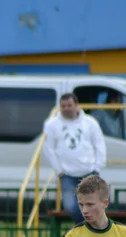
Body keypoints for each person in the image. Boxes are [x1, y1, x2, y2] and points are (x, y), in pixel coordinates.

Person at [43, 92, 107, 224]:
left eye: (69, 105)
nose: (66, 108)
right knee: (71, 207)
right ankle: (87, 230)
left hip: (89, 172)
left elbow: (99, 144)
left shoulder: (90, 123)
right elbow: (48, 149)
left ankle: (90, 232)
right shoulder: (52, 124)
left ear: (76, 106)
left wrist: (97, 167)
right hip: (66, 175)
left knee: (94, 206)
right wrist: (59, 170)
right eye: (63, 106)